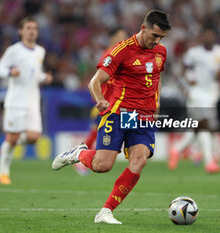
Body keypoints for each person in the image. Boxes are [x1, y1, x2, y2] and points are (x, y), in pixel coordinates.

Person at [52, 9, 171, 224]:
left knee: (139, 161)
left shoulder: (161, 52)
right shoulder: (121, 50)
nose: (157, 41)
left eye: (161, 37)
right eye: (154, 36)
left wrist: (157, 102)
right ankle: (79, 154)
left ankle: (106, 211)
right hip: (118, 113)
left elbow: (156, 77)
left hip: (143, 117)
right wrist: (100, 100)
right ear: (143, 28)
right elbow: (94, 81)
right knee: (102, 166)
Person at [0, 17, 52, 185]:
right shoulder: (14, 50)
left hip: (32, 102)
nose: (32, 31)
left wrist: (44, 77)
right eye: (28, 28)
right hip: (15, 102)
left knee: (34, 137)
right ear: (21, 31)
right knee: (13, 136)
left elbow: (34, 73)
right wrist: (9, 72)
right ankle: (3, 172)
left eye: (34, 28)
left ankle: (8, 144)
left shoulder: (40, 51)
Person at [168, 26, 220, 173]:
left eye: (211, 35)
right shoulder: (194, 53)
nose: (208, 38)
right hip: (196, 94)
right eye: (206, 35)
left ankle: (177, 149)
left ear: (215, 37)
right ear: (202, 37)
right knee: (205, 126)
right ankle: (209, 161)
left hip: (212, 95)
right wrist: (186, 83)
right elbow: (182, 69)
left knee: (200, 127)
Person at [73, 27, 128, 176]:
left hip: (116, 104)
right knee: (97, 132)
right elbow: (102, 78)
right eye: (121, 36)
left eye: (125, 37)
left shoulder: (122, 54)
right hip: (107, 103)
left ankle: (83, 157)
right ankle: (81, 158)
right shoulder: (109, 55)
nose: (124, 40)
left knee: (97, 132)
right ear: (112, 38)